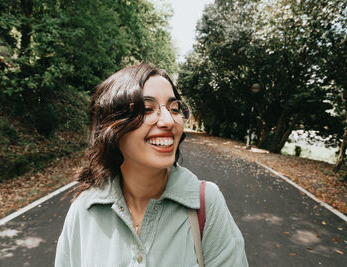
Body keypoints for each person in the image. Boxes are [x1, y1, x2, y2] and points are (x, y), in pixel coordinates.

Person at [55, 63, 248, 266]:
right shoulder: (83, 209)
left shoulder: (206, 203)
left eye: (174, 109)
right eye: (147, 109)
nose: (168, 121)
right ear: (112, 127)